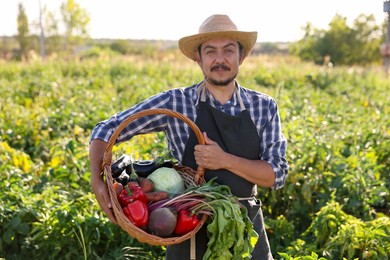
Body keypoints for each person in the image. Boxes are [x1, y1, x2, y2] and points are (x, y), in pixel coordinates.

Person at [89, 14, 288, 259]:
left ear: (241, 56)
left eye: (228, 50)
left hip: (245, 233)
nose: (219, 59)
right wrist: (96, 179)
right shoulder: (176, 102)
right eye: (210, 51)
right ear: (198, 57)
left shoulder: (263, 106)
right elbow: (105, 129)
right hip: (188, 226)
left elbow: (276, 174)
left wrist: (224, 160)